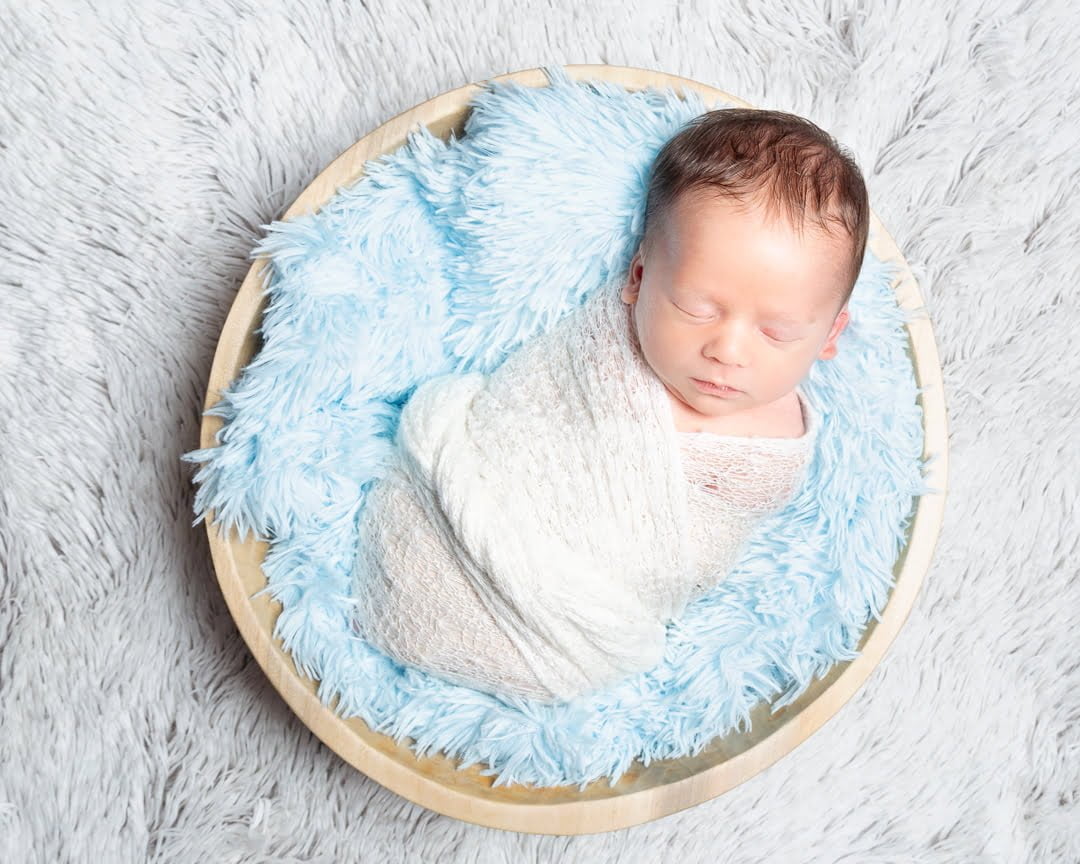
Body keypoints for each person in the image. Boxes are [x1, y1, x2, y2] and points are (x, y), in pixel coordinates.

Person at [352, 108, 870, 704]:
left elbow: (694, 559)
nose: (726, 350)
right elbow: (525, 407)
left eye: (777, 332)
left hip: (576, 632)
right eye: (698, 308)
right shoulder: (605, 349)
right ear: (640, 277)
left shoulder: (780, 448)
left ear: (830, 335)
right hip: (450, 515)